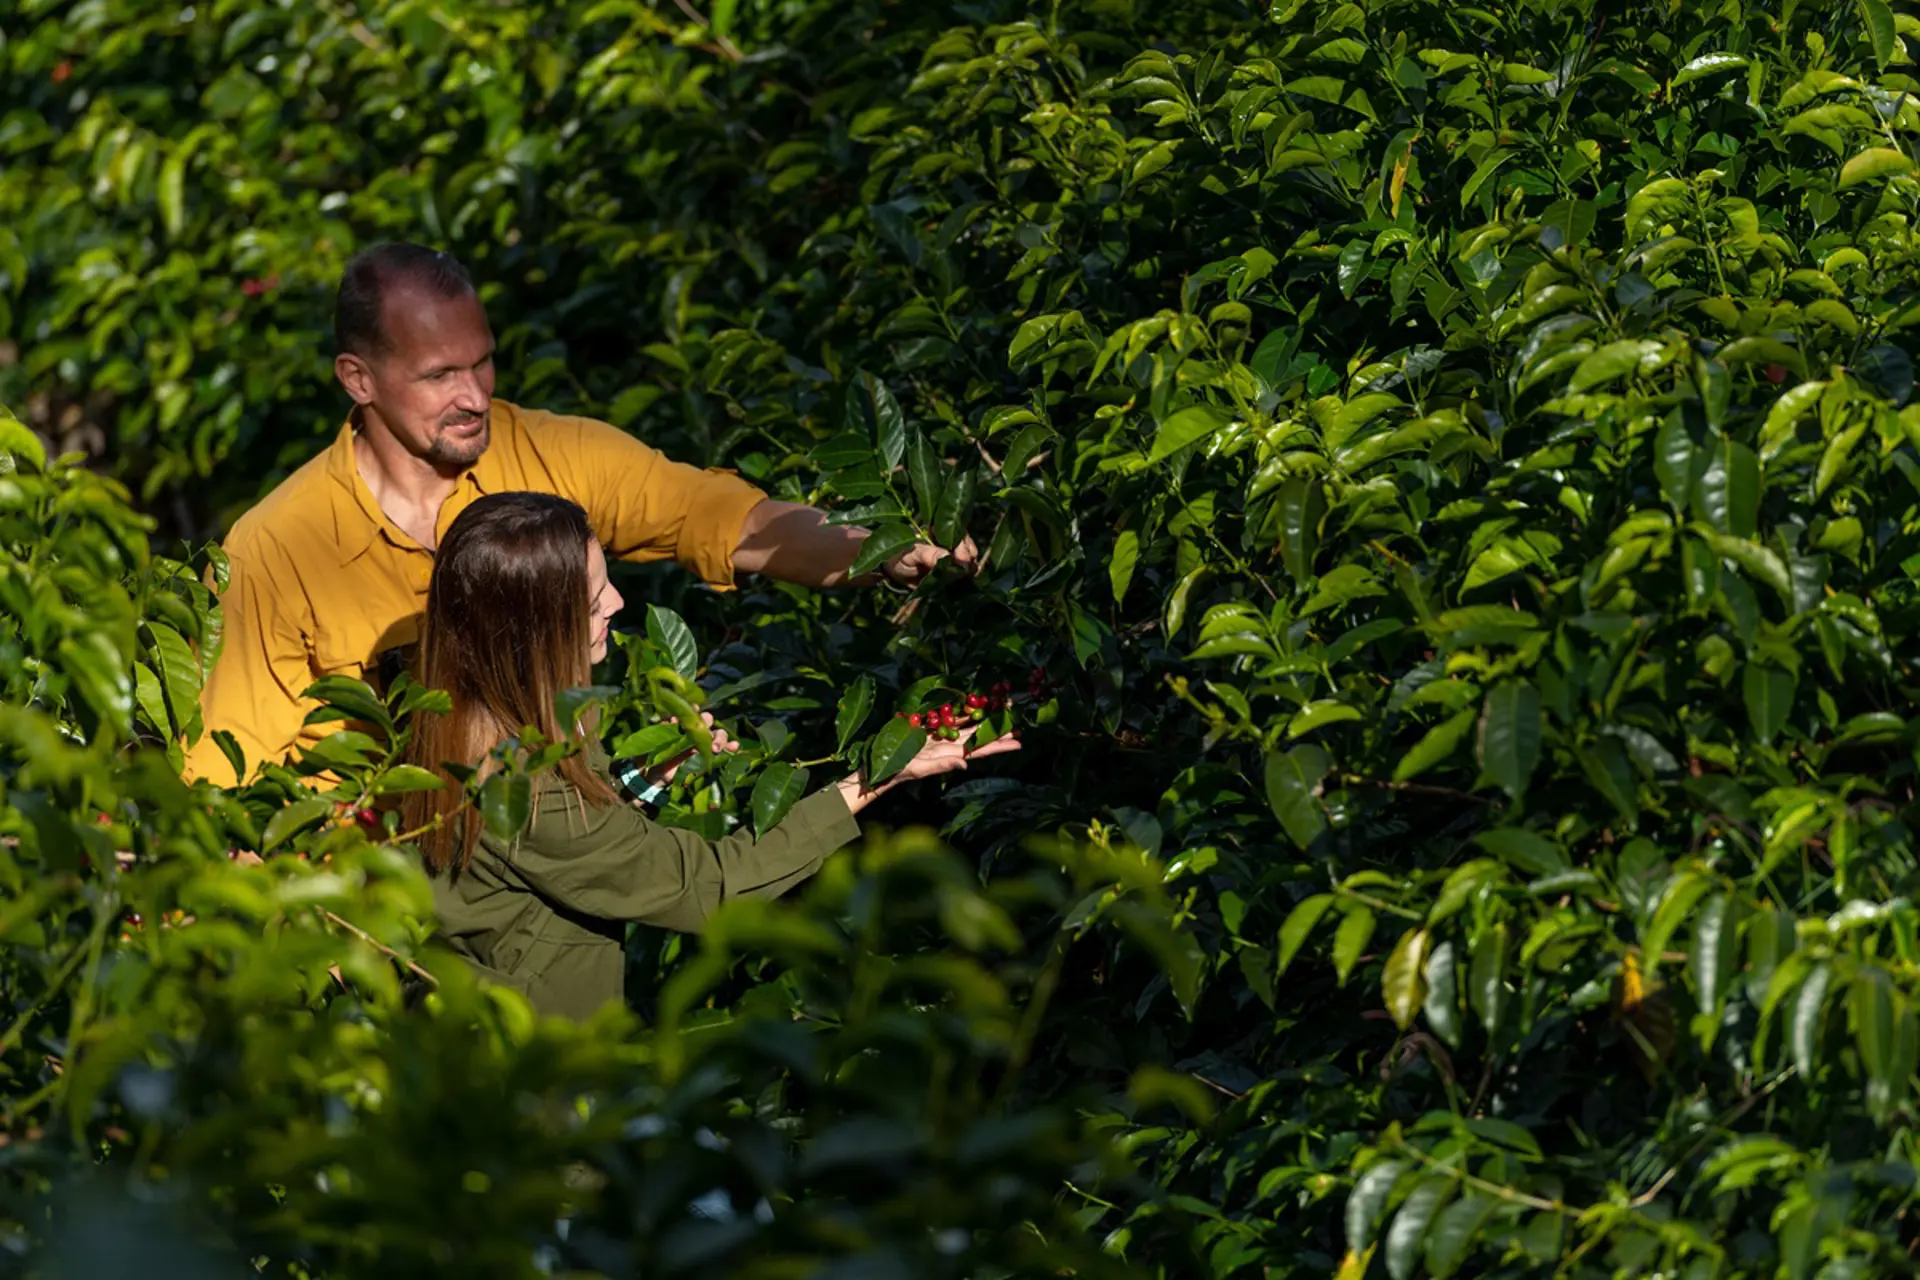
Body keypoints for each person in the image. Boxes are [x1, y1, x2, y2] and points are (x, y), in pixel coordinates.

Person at [183, 243, 976, 785]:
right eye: (438, 375)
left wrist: (877, 550)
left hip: (550, 854)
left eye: (483, 360)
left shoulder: (547, 452)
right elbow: (226, 768)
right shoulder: (278, 546)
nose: (474, 396)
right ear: (358, 379)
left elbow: (716, 515)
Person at [402, 491, 1018, 1019]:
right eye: (590, 602)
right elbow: (714, 885)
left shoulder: (466, 719)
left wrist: (641, 780)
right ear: (533, 632)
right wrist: (879, 775)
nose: (616, 604)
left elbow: (566, 852)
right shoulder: (522, 784)